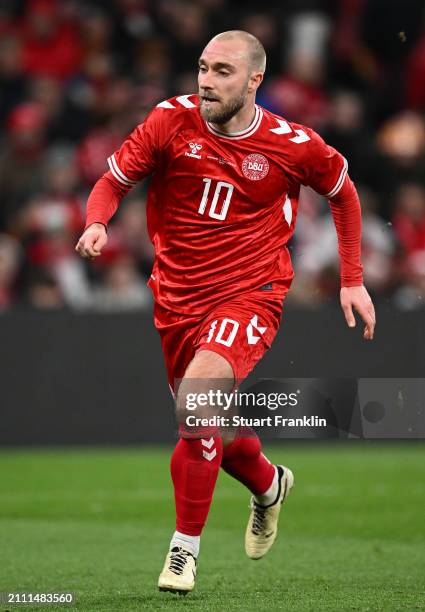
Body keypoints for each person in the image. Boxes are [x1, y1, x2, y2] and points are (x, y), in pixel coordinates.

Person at [75, 30, 376, 594]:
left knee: (196, 406)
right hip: (176, 297)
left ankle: (183, 552)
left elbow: (344, 194)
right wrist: (96, 220)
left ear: (254, 81)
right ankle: (268, 483)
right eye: (203, 68)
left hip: (250, 290)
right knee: (206, 425)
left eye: (222, 72)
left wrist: (352, 278)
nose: (206, 82)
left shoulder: (294, 145)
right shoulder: (169, 121)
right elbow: (112, 182)